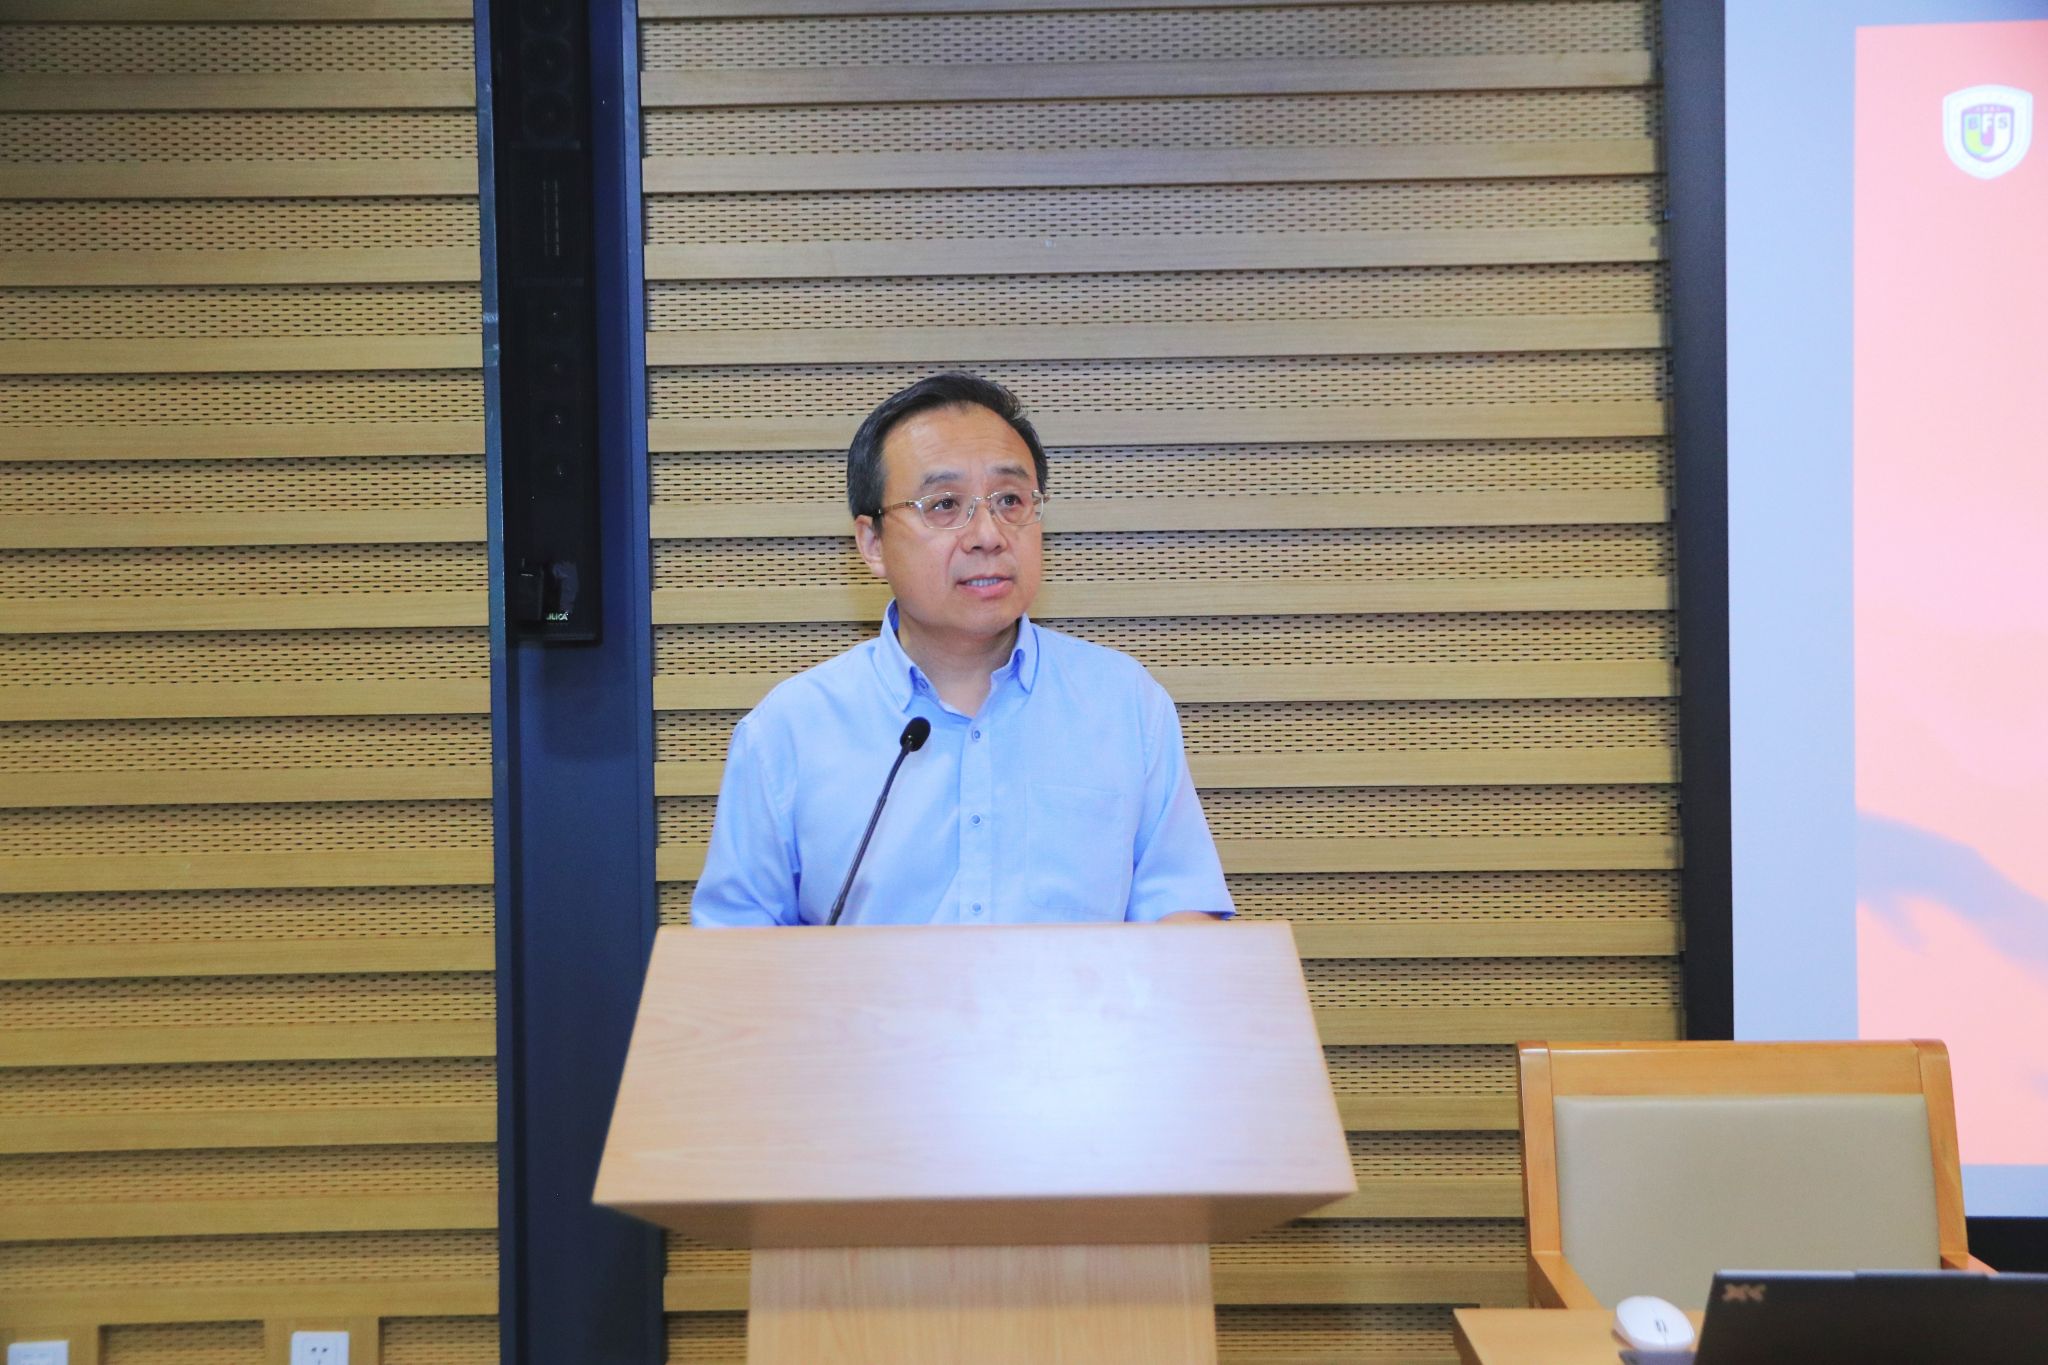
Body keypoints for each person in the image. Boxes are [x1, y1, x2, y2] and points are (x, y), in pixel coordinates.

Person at [689, 372, 1232, 927]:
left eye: (1010, 500)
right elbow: (735, 948)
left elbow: (1181, 913)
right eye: (945, 504)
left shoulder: (1123, 703)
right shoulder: (789, 730)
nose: (988, 535)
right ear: (873, 543)